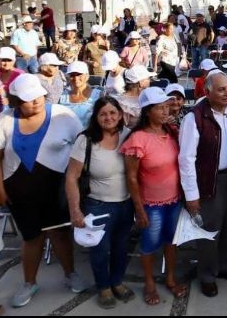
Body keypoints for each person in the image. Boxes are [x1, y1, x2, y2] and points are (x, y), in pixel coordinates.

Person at [0, 74, 86, 309]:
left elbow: (82, 146)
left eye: (38, 97)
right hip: (19, 192)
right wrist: (0, 190)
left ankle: (70, 273)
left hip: (56, 190)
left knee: (60, 234)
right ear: (15, 101)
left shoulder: (62, 115)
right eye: (28, 99)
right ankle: (29, 282)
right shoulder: (3, 120)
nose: (35, 102)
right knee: (31, 238)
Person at [179, 72, 227, 297]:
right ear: (208, 92)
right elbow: (186, 159)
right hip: (210, 180)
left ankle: (226, 266)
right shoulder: (195, 117)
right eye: (221, 89)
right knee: (209, 230)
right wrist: (191, 194)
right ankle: (207, 275)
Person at [120, 87, 187, 306]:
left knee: (171, 241)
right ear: (148, 111)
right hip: (151, 204)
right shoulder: (138, 139)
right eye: (160, 107)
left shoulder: (171, 132)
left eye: (167, 106)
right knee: (149, 244)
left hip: (174, 200)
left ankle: (169, 278)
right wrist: (139, 209)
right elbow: (131, 178)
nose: (166, 110)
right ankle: (149, 282)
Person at [65, 97, 134, 309]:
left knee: (122, 247)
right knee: (100, 250)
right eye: (103, 114)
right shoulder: (85, 140)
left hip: (126, 203)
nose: (109, 117)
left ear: (121, 115)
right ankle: (104, 286)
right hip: (98, 206)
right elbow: (71, 177)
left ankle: (117, 282)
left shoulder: (128, 136)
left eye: (113, 113)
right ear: (96, 117)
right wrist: (75, 210)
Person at [60, 62, 104, 128]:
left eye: (79, 74)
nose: (75, 78)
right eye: (72, 75)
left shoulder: (98, 95)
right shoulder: (63, 96)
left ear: (87, 76)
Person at [0, 47, 24, 118]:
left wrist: (9, 97)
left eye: (9, 60)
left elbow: (24, 95)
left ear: (14, 61)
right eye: (3, 60)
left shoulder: (20, 74)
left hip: (13, 112)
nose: (6, 63)